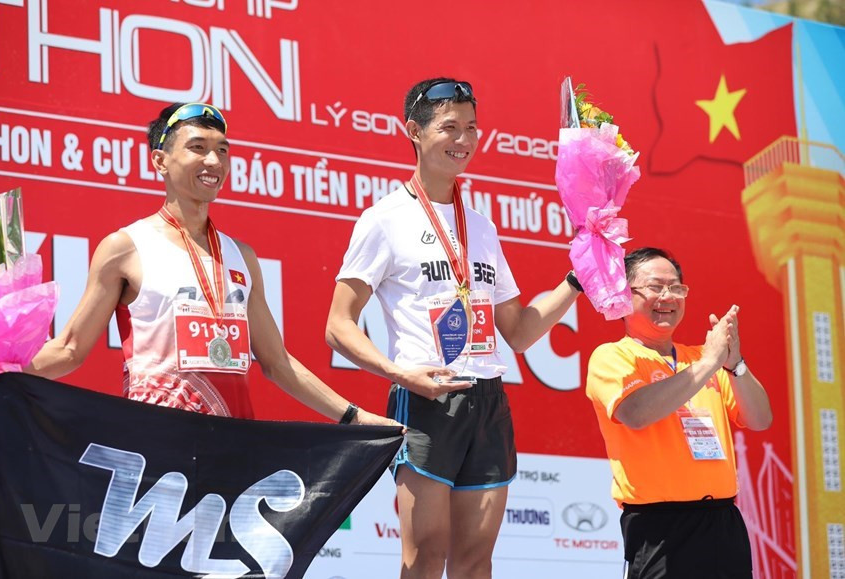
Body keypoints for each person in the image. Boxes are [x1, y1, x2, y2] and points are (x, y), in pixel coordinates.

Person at [325, 78, 583, 578]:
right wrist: (402, 375)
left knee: (474, 562)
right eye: (449, 127)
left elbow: (521, 331)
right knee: (424, 558)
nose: (463, 138)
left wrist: (577, 279)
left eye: (471, 127)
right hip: (426, 398)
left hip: (487, 398)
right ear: (414, 132)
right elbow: (339, 326)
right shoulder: (384, 219)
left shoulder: (481, 227)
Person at [22, 102, 398, 428]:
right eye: (197, 148)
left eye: (222, 150)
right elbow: (70, 348)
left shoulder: (242, 256)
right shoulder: (125, 248)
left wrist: (355, 417)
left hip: (233, 448)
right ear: (160, 160)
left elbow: (277, 363)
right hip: (156, 444)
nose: (213, 161)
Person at [586, 247, 773, 579]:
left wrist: (735, 364)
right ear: (625, 295)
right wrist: (708, 364)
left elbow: (760, 419)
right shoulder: (613, 357)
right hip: (659, 527)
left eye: (676, 287)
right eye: (656, 286)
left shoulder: (704, 359)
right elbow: (637, 413)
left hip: (722, 522)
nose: (668, 296)